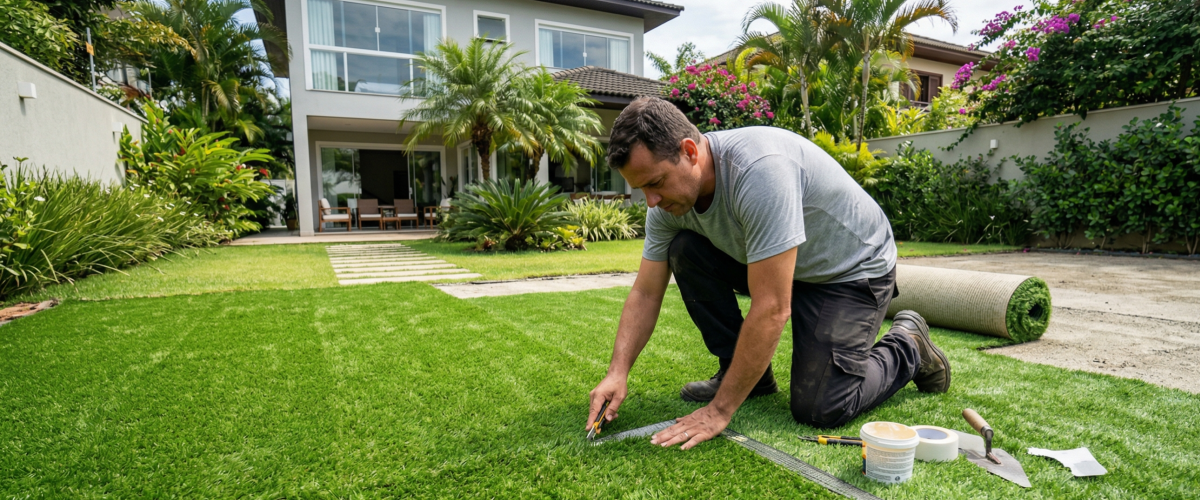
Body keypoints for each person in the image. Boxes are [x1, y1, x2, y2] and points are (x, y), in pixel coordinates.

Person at [585, 97, 951, 450]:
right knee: (684, 250)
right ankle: (749, 377)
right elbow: (646, 292)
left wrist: (719, 412)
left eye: (655, 183)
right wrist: (618, 372)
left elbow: (772, 308)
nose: (651, 201)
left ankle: (909, 345)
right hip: (786, 264)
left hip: (850, 270)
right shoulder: (667, 203)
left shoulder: (759, 171)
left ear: (690, 152)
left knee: (821, 407)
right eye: (641, 188)